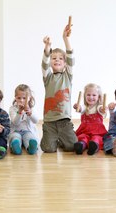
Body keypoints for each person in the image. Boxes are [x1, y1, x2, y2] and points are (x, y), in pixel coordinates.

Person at [40, 24, 77, 153]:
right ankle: (51, 138)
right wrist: (47, 46)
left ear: (65, 64)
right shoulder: (48, 77)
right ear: (51, 62)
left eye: (60, 58)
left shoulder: (68, 76)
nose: (57, 60)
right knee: (48, 149)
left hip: (64, 120)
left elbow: (71, 57)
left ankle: (62, 139)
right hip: (49, 121)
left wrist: (65, 39)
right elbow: (44, 64)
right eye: (54, 58)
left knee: (72, 147)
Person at [73, 83, 108, 155]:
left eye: (94, 95)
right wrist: (77, 107)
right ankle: (81, 145)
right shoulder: (85, 107)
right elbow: (81, 109)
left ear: (98, 97)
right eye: (88, 95)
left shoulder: (99, 107)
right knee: (82, 137)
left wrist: (102, 109)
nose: (91, 97)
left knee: (97, 138)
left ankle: (94, 146)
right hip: (85, 130)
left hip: (97, 131)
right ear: (85, 96)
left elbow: (100, 110)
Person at [8, 84, 39, 155]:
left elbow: (36, 121)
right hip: (16, 131)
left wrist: (30, 114)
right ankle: (16, 147)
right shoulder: (12, 108)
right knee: (15, 137)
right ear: (15, 97)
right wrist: (19, 113)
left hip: (28, 131)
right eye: (19, 98)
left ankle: (31, 148)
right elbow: (15, 122)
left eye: (24, 98)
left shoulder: (31, 108)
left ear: (29, 98)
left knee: (29, 138)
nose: (21, 100)